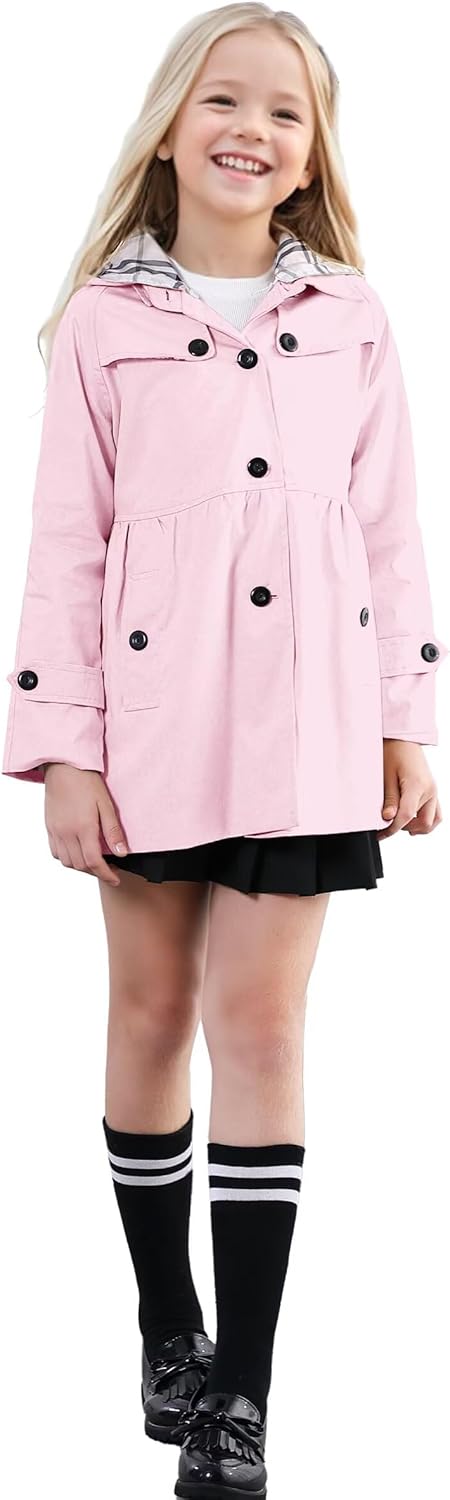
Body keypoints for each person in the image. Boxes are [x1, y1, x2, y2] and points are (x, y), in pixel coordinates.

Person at [2, 5, 448, 1497]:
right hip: (148, 720)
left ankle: (241, 1396)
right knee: (148, 1017)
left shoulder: (354, 321)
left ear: (312, 155)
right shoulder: (103, 324)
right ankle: (165, 1323)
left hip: (310, 720)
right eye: (223, 100)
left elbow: (390, 530)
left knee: (261, 1031)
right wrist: (63, 747)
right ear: (169, 125)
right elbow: (65, 546)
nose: (251, 129)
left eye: (284, 112)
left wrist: (405, 714)